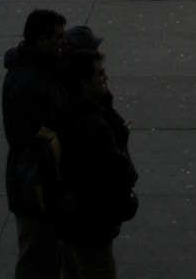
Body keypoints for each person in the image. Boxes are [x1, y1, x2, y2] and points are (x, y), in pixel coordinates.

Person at [57, 27, 139, 279]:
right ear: (83, 82)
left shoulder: (74, 106)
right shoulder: (89, 124)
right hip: (89, 223)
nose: (105, 77)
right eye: (99, 75)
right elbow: (115, 173)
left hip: (77, 220)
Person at [2, 8, 68, 279]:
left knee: (43, 253)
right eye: (58, 37)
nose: (63, 43)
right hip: (35, 182)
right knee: (36, 256)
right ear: (41, 40)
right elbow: (33, 138)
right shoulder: (30, 82)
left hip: (34, 178)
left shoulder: (35, 71)